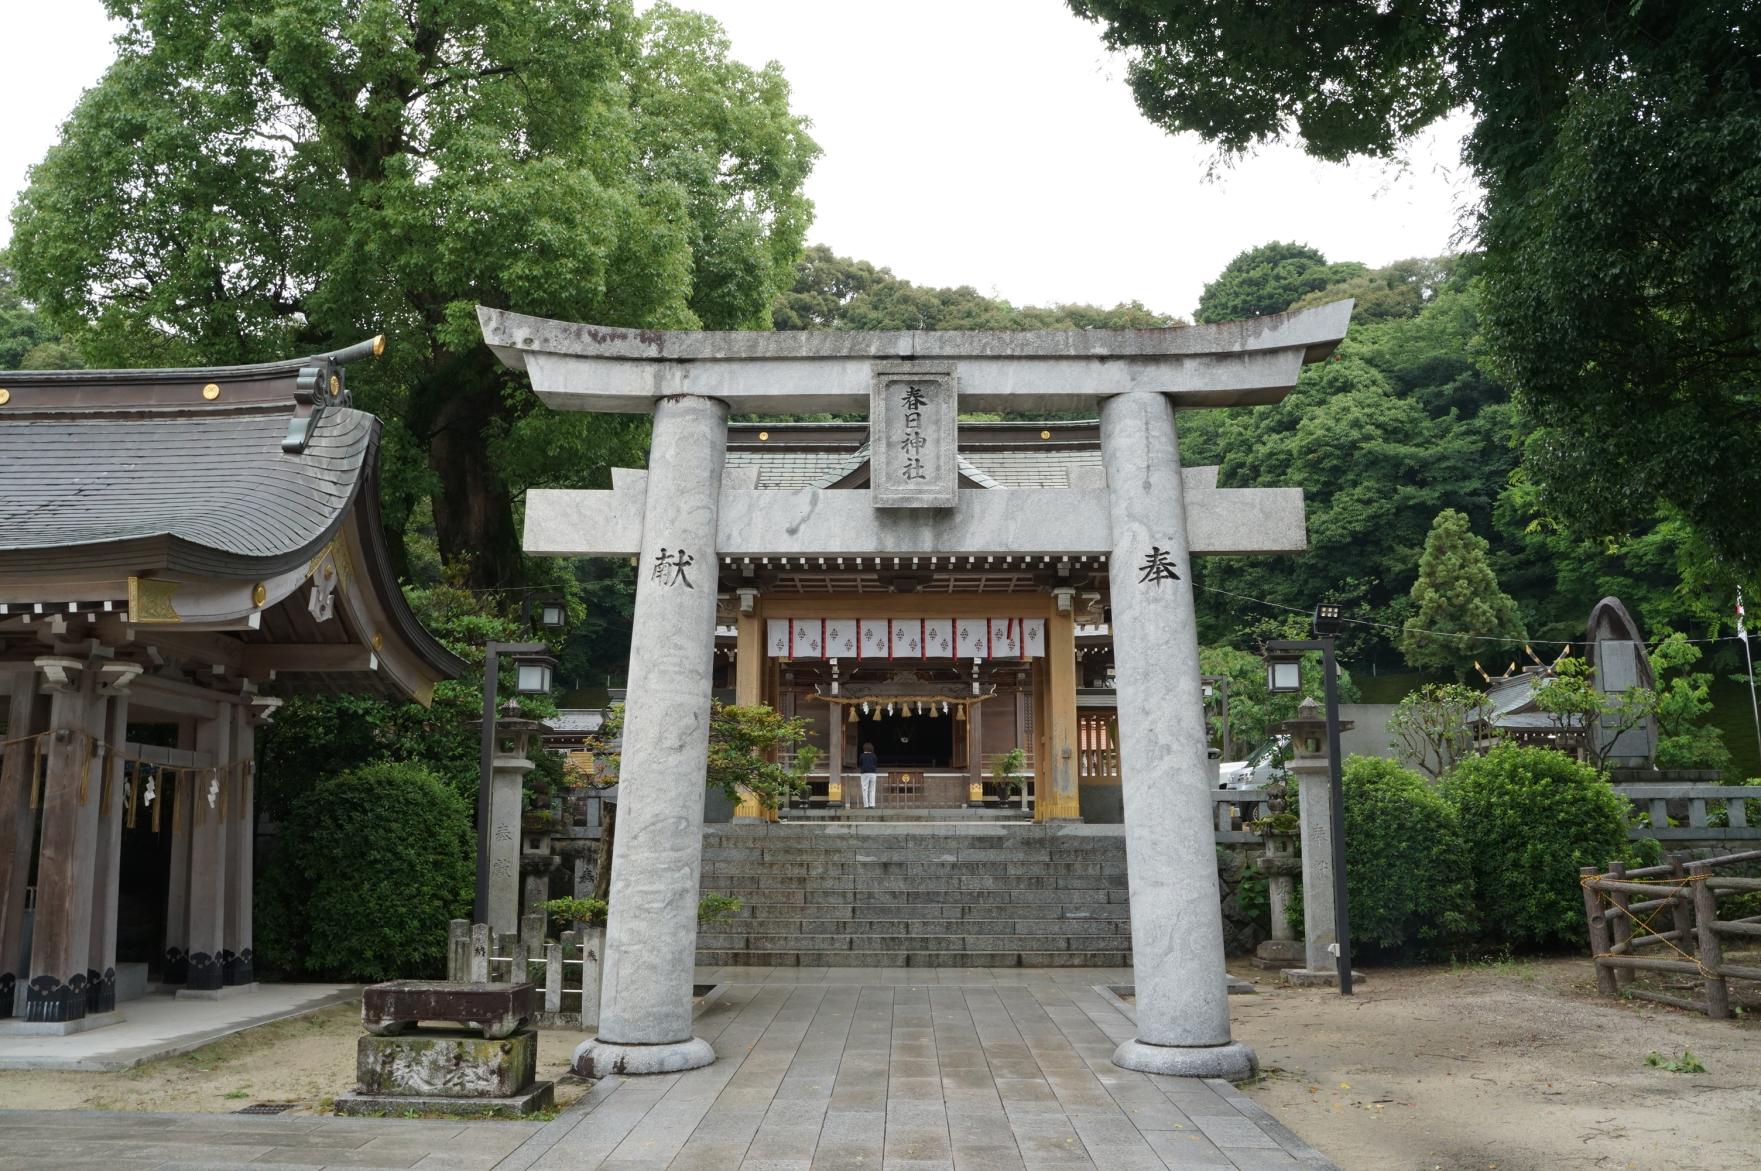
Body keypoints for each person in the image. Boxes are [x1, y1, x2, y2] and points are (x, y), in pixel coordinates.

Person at [858, 742, 879, 809]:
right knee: (872, 789)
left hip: (864, 773)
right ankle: (872, 804)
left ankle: (866, 805)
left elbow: (860, 763)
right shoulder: (874, 755)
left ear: (864, 748)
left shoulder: (862, 755)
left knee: (865, 789)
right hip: (872, 773)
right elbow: (875, 764)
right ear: (871, 748)